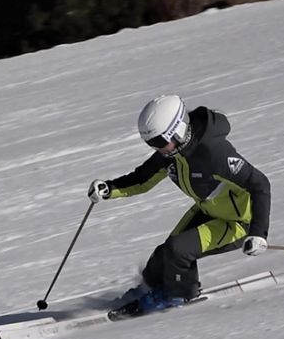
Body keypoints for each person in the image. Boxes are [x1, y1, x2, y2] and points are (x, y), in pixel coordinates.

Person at [87, 94, 271, 316]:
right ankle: (149, 289)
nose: (158, 149)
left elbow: (259, 184)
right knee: (161, 258)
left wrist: (258, 233)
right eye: (151, 143)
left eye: (159, 142)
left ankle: (179, 295)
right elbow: (142, 179)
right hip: (208, 210)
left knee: (179, 250)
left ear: (179, 129)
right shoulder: (170, 154)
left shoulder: (213, 153)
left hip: (239, 222)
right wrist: (109, 189)